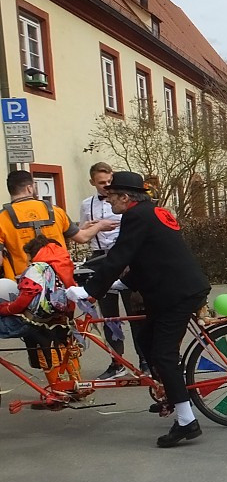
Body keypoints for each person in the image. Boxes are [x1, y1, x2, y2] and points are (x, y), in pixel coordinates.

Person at [65, 172, 211, 448]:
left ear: (125, 197)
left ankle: (186, 421)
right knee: (145, 341)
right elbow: (150, 256)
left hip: (176, 295)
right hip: (174, 289)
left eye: (111, 198)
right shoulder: (151, 211)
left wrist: (90, 290)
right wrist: (122, 283)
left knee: (163, 355)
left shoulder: (137, 216)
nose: (108, 203)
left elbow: (121, 254)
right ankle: (171, 391)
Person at [79, 162, 148, 379]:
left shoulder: (124, 200)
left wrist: (108, 224)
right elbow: (81, 232)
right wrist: (91, 227)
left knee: (135, 312)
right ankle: (116, 362)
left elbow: (135, 226)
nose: (106, 188)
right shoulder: (86, 204)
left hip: (125, 259)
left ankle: (145, 360)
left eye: (109, 182)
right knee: (109, 317)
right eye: (101, 184)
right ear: (92, 183)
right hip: (99, 257)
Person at [0, 170, 114, 280]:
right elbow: (82, 237)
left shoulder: (3, 217)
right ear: (29, 188)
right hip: (60, 278)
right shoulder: (55, 211)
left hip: (24, 281)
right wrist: (99, 225)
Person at [0, 235, 79, 385]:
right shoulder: (63, 266)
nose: (28, 259)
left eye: (29, 255)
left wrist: (6, 309)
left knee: (46, 352)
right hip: (60, 320)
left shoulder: (36, 269)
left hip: (35, 321)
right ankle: (76, 386)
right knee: (65, 349)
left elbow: (24, 300)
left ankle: (58, 391)